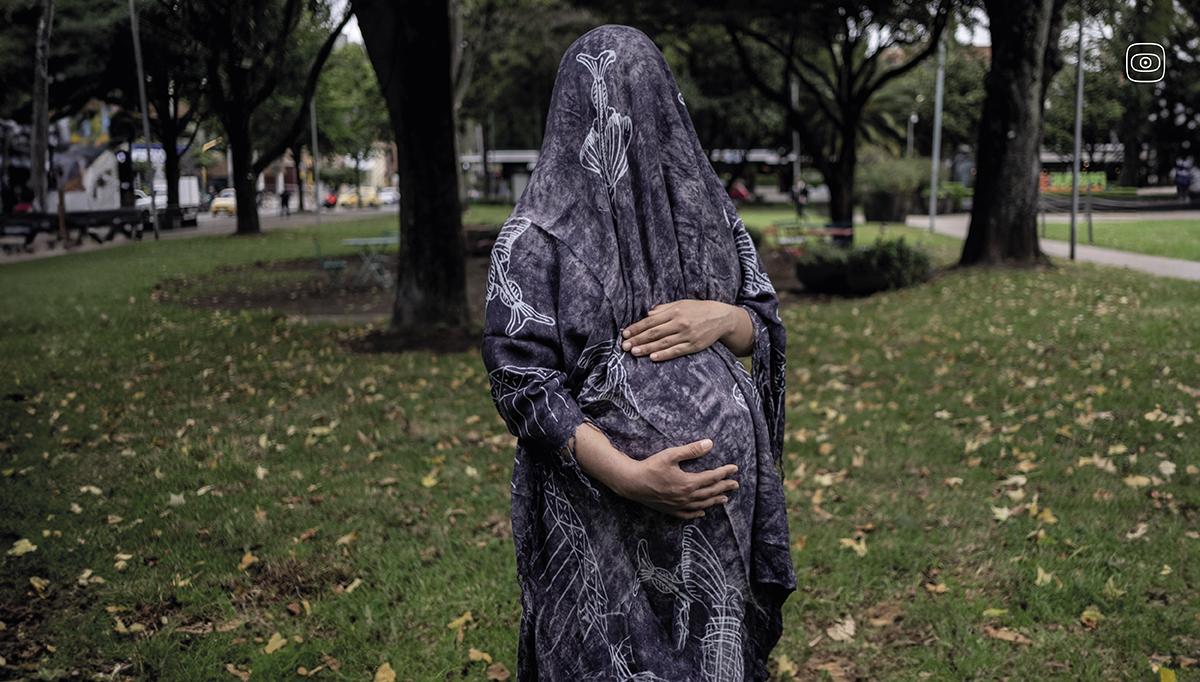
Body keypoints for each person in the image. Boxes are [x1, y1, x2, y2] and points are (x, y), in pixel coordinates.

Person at [481, 25, 794, 681]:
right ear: (572, 113)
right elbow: (524, 387)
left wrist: (725, 317)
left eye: (630, 100)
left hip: (714, 520)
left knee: (710, 655)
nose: (612, 121)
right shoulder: (533, 237)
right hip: (597, 513)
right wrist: (629, 476)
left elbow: (764, 323)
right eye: (595, 105)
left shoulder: (706, 215)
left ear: (661, 106)